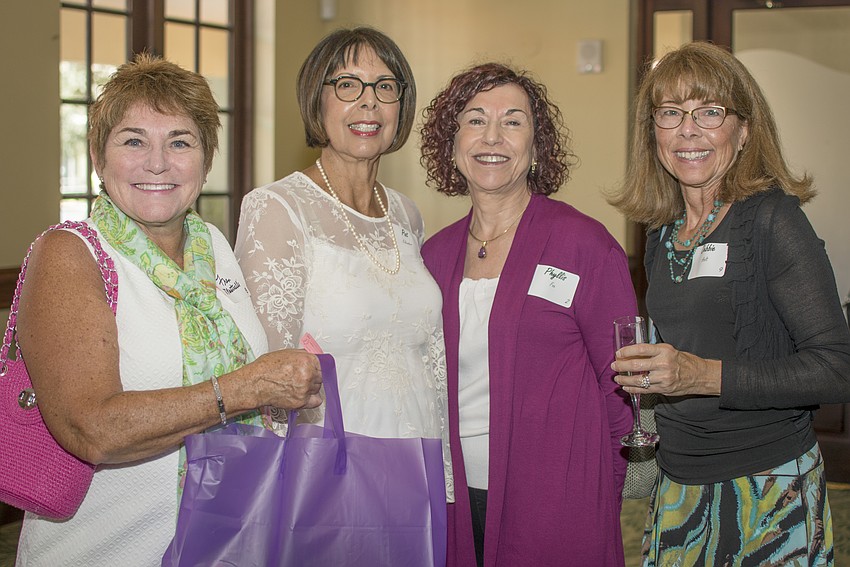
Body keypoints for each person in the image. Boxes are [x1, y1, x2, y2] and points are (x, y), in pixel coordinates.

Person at [13, 53, 323, 565]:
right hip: (104, 550)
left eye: (179, 142)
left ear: (206, 158)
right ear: (98, 156)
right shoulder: (70, 253)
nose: (157, 163)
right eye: (133, 141)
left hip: (224, 544)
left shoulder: (216, 247)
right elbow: (92, 428)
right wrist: (248, 388)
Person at [607, 41, 850, 565]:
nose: (687, 130)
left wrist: (702, 375)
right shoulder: (662, 234)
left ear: (743, 131)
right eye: (670, 113)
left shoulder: (773, 221)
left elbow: (836, 369)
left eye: (708, 112)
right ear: (652, 133)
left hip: (766, 486)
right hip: (678, 486)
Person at [419, 62, 635, 567]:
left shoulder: (584, 245)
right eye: (474, 119)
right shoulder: (432, 256)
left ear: (536, 148)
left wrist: (607, 492)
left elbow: (622, 385)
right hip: (451, 494)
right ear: (452, 144)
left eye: (513, 122)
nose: (492, 136)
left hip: (557, 502)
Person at [234, 27, 453, 501]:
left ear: (401, 105)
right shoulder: (277, 208)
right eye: (347, 85)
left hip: (416, 460)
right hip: (330, 471)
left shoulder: (406, 214)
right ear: (318, 100)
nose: (368, 103)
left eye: (384, 86)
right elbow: (264, 372)